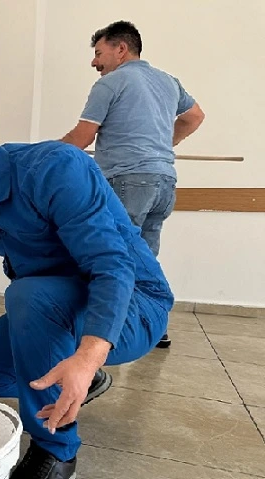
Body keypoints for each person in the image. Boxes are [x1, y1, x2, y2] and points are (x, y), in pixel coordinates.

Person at [0, 114, 173, 478]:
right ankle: (72, 380)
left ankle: (56, 452)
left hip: (133, 306)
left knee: (27, 293)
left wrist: (88, 358)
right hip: (55, 306)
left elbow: (112, 266)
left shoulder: (56, 169)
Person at [60, 20, 205, 349]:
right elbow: (195, 116)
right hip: (164, 182)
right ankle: (153, 327)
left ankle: (103, 333)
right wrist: (162, 146)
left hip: (128, 181)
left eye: (99, 53)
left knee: (111, 255)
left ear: (121, 49)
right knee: (144, 258)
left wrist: (42, 156)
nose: (94, 62)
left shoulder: (110, 83)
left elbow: (82, 137)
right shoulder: (168, 81)